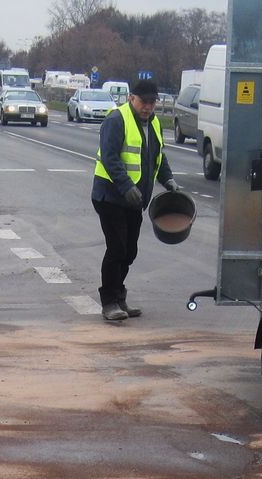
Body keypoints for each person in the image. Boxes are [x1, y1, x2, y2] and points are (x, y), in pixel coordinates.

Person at [91, 78, 179, 321]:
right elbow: (110, 158)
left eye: (152, 102)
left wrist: (168, 179)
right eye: (144, 101)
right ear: (131, 98)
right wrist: (126, 185)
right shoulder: (116, 120)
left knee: (129, 251)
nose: (148, 107)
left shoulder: (154, 123)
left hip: (134, 201)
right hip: (109, 196)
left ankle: (119, 297)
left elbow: (157, 156)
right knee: (117, 248)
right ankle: (109, 301)